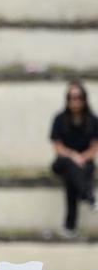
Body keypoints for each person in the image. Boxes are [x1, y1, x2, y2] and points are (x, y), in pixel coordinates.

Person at [50, 80, 98, 238]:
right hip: (63, 162)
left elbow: (94, 148)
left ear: (84, 99)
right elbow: (57, 147)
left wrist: (82, 158)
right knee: (69, 166)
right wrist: (73, 156)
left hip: (84, 162)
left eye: (78, 97)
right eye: (71, 97)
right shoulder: (59, 119)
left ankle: (70, 226)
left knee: (72, 177)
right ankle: (88, 196)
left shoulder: (93, 121)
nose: (75, 101)